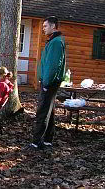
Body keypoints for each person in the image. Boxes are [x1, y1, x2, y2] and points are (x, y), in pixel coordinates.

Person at [28, 16, 66, 150]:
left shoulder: (56, 42)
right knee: (49, 111)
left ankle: (36, 142)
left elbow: (53, 65)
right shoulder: (53, 41)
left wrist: (46, 82)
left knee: (42, 112)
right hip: (48, 82)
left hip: (49, 83)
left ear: (53, 26)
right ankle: (48, 140)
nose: (43, 28)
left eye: (45, 26)